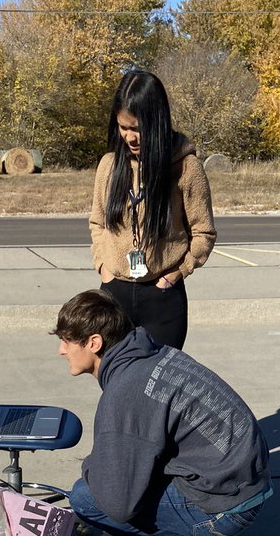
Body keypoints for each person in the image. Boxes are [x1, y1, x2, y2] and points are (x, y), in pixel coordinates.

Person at [54, 290, 271, 536]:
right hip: (244, 482)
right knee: (119, 479)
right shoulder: (152, 354)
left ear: (94, 343)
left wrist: (93, 468)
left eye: (66, 341)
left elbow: (118, 504)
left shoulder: (126, 391)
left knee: (85, 497)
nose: (61, 350)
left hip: (226, 506)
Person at [90, 70, 216, 351]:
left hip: (163, 296)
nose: (130, 137)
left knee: (159, 388)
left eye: (137, 128)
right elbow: (97, 223)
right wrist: (103, 268)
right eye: (123, 127)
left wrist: (179, 271)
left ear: (157, 122)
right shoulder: (109, 166)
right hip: (114, 294)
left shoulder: (186, 168)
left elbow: (203, 231)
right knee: (116, 385)